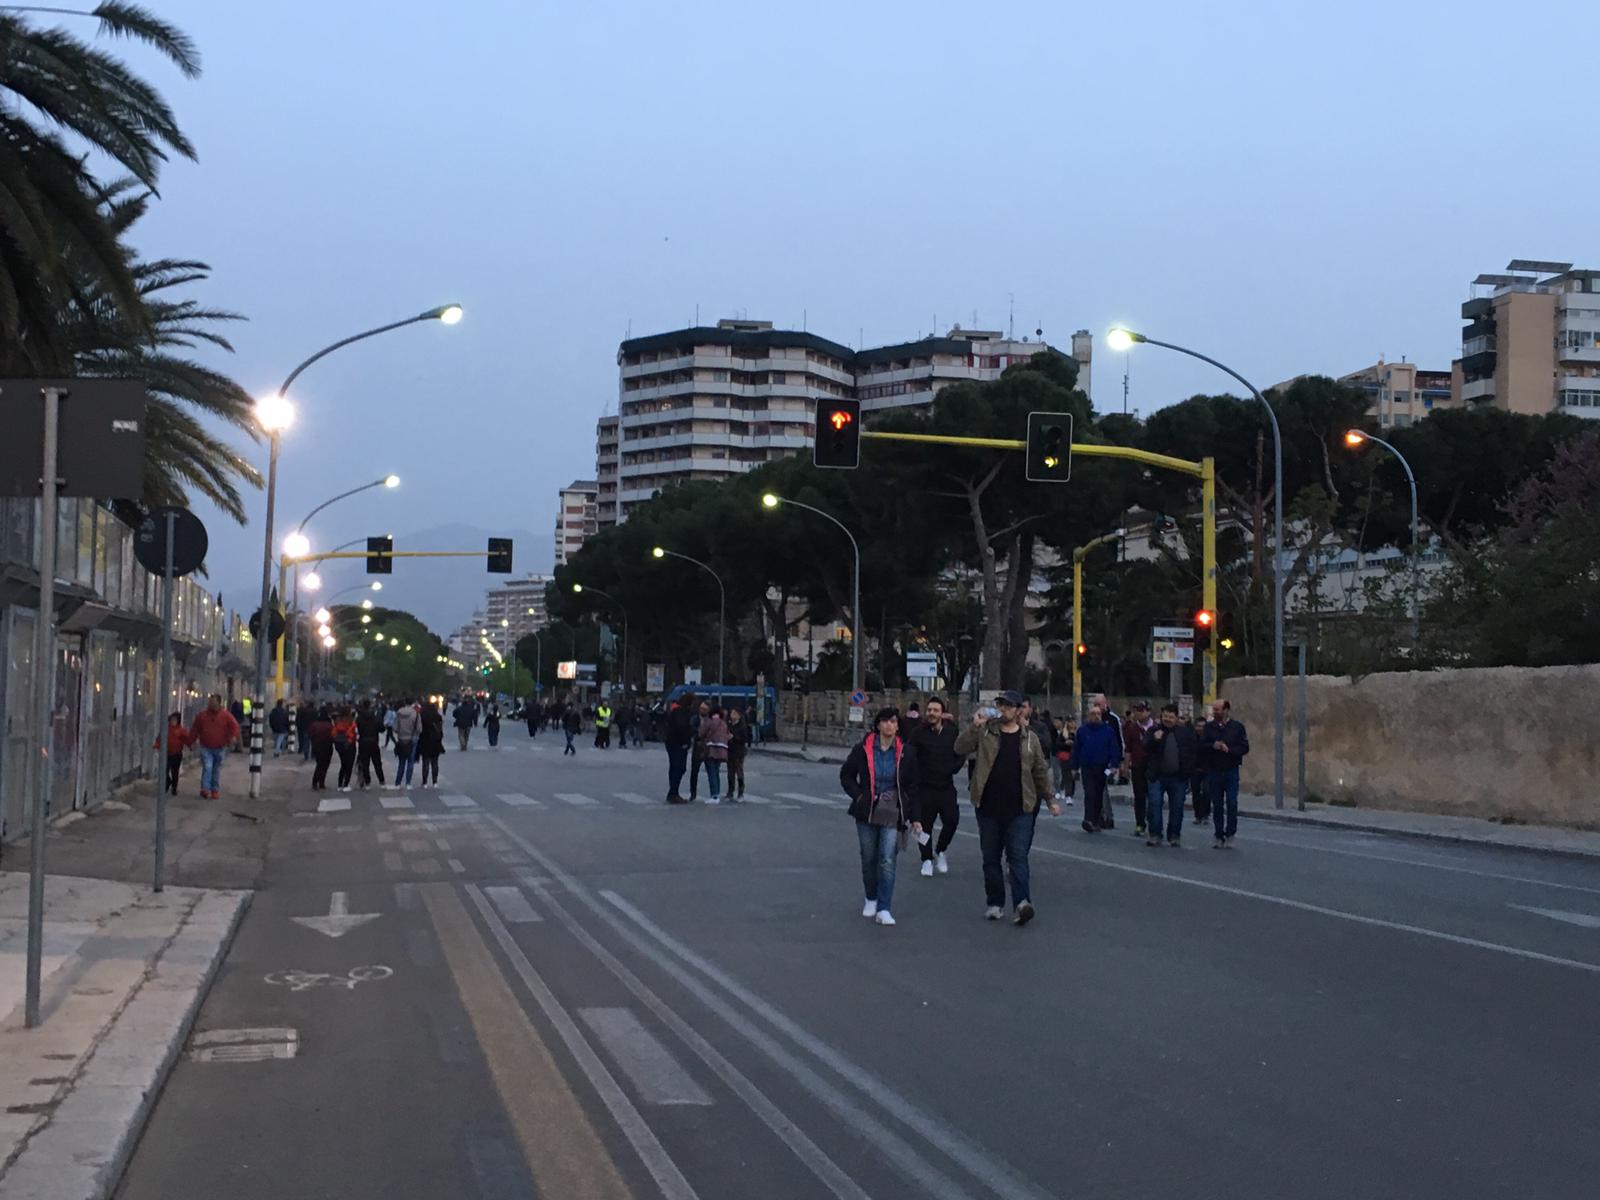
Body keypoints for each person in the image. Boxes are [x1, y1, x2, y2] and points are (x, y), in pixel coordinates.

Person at [954, 690, 1060, 926]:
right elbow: (959, 748)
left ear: (1019, 710)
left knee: (1018, 857)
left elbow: (1040, 772)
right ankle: (995, 903)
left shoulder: (1030, 738)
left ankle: (1022, 903)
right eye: (1001, 705)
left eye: (1009, 706)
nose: (1004, 709)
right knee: (991, 857)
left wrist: (1051, 799)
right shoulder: (985, 732)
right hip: (988, 807)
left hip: (1020, 808)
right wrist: (974, 727)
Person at [839, 707, 923, 927]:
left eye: (893, 721)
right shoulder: (863, 749)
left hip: (892, 812)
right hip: (867, 811)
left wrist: (916, 817)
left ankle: (884, 907)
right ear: (878, 725)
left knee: (887, 859)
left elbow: (913, 786)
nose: (889, 725)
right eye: (885, 721)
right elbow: (846, 775)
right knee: (869, 857)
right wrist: (859, 796)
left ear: (898, 726)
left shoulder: (906, 752)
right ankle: (871, 897)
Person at [908, 695, 963, 877]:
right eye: (929, 710)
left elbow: (961, 752)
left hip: (946, 786)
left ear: (942, 713)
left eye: (936, 710)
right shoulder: (918, 733)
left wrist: (953, 768)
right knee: (923, 826)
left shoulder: (952, 732)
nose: (932, 713)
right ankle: (926, 859)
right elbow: (909, 755)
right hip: (924, 787)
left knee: (952, 821)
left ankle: (940, 850)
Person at [1143, 703, 1199, 847]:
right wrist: (1155, 739)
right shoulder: (1154, 730)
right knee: (1154, 804)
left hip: (1178, 777)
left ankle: (1174, 835)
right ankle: (1155, 834)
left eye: (1171, 717)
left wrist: (1188, 771)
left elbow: (1193, 751)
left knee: (1177, 807)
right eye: (1165, 716)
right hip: (1157, 776)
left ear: (1176, 718)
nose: (1167, 719)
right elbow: (1145, 747)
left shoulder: (1185, 733)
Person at [1201, 698, 1251, 848]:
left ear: (1226, 710)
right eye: (1214, 710)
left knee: (1231, 802)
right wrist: (1213, 745)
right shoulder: (1209, 727)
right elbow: (1201, 745)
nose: (1215, 712)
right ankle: (1218, 834)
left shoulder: (1237, 727)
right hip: (1214, 770)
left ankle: (1230, 833)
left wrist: (1230, 750)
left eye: (1218, 710)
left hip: (1231, 770)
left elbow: (1244, 747)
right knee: (1217, 804)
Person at [1068, 704, 1122, 833]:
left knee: (1099, 794)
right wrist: (1074, 767)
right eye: (1093, 714)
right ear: (1089, 716)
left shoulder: (1108, 731)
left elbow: (1114, 748)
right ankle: (1088, 819)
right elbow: (1076, 750)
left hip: (1103, 767)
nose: (1096, 716)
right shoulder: (1082, 731)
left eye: (1098, 714)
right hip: (1087, 766)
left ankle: (1096, 820)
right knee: (1089, 792)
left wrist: (1114, 765)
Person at [188, 693, 239, 801]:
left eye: (213, 701)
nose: (210, 703)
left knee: (215, 769)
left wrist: (233, 736)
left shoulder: (225, 716)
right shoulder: (202, 716)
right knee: (208, 766)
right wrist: (190, 741)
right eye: (210, 701)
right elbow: (195, 729)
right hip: (206, 746)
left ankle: (214, 790)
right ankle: (205, 789)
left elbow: (234, 726)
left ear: (218, 703)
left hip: (220, 747)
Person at [1123, 700, 1154, 837]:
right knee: (1139, 796)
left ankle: (1154, 823)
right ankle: (1140, 823)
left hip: (1153, 766)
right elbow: (1128, 749)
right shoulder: (1132, 728)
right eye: (1137, 711)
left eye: (1142, 711)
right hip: (1137, 765)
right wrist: (1125, 767)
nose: (1139, 714)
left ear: (1148, 711)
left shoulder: (1156, 728)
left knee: (1153, 796)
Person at [663, 692, 695, 803]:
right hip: (678, 743)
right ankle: (673, 793)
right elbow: (681, 727)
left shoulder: (676, 710)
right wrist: (686, 740)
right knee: (679, 768)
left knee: (675, 768)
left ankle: (673, 792)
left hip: (672, 742)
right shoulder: (681, 712)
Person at [155, 712, 190, 796]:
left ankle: (174, 788)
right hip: (166, 754)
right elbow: (159, 738)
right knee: (164, 770)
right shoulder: (166, 729)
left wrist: (190, 745)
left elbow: (186, 739)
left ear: (178, 721)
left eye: (175, 720)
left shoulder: (181, 730)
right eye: (171, 720)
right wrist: (157, 745)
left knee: (175, 772)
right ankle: (167, 782)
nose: (173, 721)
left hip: (177, 754)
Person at [700, 705, 730, 802]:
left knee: (711, 773)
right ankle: (717, 793)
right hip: (721, 750)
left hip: (710, 749)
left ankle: (714, 795)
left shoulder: (709, 722)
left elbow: (701, 733)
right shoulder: (723, 723)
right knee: (716, 772)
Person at [392, 697, 421, 789]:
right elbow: (419, 729)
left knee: (401, 762)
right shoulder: (415, 713)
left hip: (401, 739)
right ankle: (408, 782)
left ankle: (398, 782)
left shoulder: (399, 713)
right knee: (410, 762)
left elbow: (395, 728)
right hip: (412, 739)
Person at [356, 701, 386, 788]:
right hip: (373, 741)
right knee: (377, 763)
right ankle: (381, 781)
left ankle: (367, 782)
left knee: (365, 763)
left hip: (363, 741)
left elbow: (357, 729)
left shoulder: (359, 718)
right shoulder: (375, 717)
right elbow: (382, 729)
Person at [725, 706, 752, 799]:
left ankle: (740, 792)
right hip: (730, 751)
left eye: (734, 713)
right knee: (730, 772)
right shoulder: (728, 724)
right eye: (731, 713)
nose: (732, 715)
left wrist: (734, 737)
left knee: (739, 772)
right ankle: (730, 791)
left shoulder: (742, 726)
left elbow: (745, 738)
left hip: (739, 751)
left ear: (739, 716)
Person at [418, 701, 445, 788]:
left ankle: (425, 782)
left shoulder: (422, 716)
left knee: (425, 762)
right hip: (435, 742)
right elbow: (440, 731)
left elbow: (419, 730)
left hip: (425, 741)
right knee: (435, 762)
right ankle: (435, 782)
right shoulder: (438, 717)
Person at [331, 707, 359, 792]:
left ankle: (340, 784)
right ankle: (346, 784)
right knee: (349, 765)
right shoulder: (351, 722)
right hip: (350, 745)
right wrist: (350, 740)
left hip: (340, 745)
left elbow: (333, 733)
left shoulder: (337, 721)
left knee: (343, 764)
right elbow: (353, 733)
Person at [687, 700, 710, 800]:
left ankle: (714, 792)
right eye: (701, 708)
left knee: (711, 771)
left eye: (704, 709)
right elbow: (691, 728)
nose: (702, 710)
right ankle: (693, 793)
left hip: (708, 746)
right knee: (694, 771)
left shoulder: (710, 720)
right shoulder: (695, 718)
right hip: (698, 746)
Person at [308, 706, 335, 790]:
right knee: (325, 765)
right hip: (327, 746)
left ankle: (315, 781)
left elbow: (311, 735)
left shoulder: (314, 724)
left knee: (319, 764)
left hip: (317, 746)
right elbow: (333, 736)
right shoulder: (329, 725)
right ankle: (321, 782)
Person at [296, 699, 316, 763]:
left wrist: (301, 726)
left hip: (305, 729)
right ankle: (313, 755)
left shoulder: (304, 711)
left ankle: (306, 755)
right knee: (313, 743)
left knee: (306, 742)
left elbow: (300, 719)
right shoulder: (315, 711)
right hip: (313, 729)